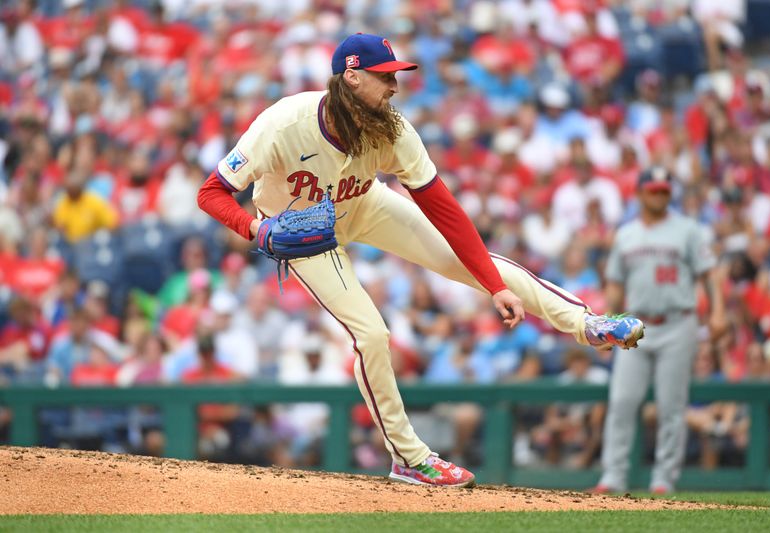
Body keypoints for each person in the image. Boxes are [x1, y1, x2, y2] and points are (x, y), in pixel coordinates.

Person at [197, 33, 645, 488]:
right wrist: (255, 229)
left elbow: (445, 211)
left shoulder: (391, 128)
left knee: (472, 260)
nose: (394, 87)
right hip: (302, 232)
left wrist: (493, 284)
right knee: (372, 334)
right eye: (385, 77)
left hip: (365, 203)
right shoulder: (284, 124)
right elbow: (211, 192)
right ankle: (409, 458)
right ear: (351, 77)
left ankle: (584, 323)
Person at [592, 167, 727, 495]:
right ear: (640, 193)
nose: (659, 195)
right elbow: (614, 285)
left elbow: (709, 275)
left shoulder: (689, 230)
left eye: (664, 190)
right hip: (636, 325)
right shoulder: (625, 234)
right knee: (623, 401)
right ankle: (613, 476)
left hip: (678, 321)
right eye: (653, 190)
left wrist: (719, 311)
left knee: (672, 405)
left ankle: (663, 479)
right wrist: (607, 326)